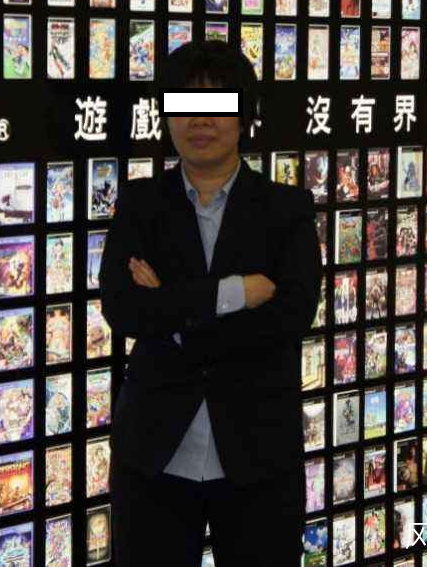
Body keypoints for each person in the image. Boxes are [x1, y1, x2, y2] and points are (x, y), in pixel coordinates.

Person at [101, 40, 322, 565]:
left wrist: (175, 315)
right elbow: (123, 309)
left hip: (258, 456)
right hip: (153, 456)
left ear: (244, 116)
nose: (199, 120)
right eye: (184, 104)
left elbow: (290, 317)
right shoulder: (140, 205)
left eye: (217, 105)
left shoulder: (286, 209)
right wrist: (232, 293)